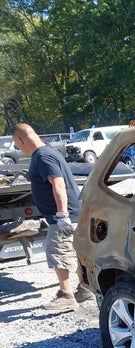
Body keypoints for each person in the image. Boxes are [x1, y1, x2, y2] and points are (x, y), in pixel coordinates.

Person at [11, 123, 94, 311]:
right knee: (75, 252)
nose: (19, 148)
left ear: (21, 141)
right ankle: (85, 288)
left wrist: (62, 215)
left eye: (17, 144)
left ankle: (66, 295)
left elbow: (58, 184)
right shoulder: (48, 152)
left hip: (62, 215)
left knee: (58, 251)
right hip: (69, 213)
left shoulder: (42, 156)